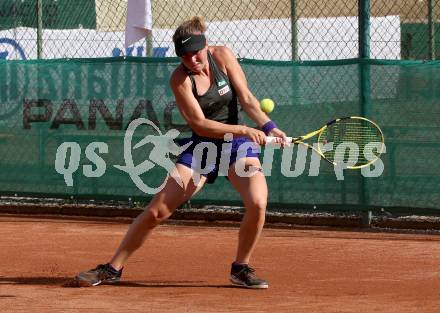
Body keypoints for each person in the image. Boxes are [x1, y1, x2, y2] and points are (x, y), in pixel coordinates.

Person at [74, 16, 286, 289]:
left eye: (195, 53)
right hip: (204, 146)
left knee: (258, 202)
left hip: (236, 147)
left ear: (205, 46)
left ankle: (240, 268)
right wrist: (245, 131)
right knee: (156, 211)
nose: (192, 60)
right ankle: (113, 268)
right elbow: (200, 124)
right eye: (184, 56)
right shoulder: (179, 79)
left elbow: (246, 98)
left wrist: (269, 126)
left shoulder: (222, 56)